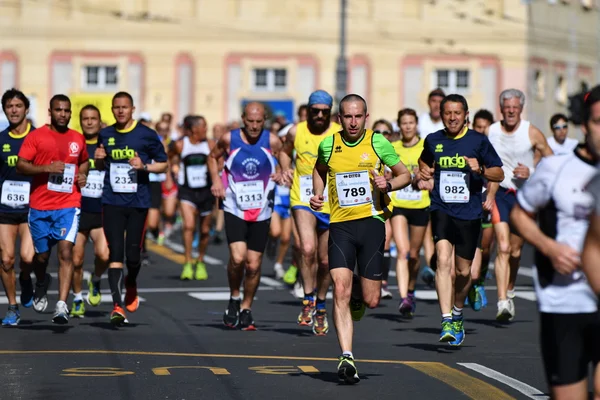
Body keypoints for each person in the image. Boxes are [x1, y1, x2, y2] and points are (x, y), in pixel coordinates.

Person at [311, 94, 411, 384]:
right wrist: (317, 195)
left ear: (366, 117)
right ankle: (347, 356)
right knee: (338, 288)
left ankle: (359, 294)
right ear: (338, 118)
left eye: (358, 116)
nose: (352, 122)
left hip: (372, 223)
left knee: (371, 298)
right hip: (340, 225)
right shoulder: (328, 144)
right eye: (347, 116)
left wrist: (388, 183)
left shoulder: (377, 143)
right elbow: (319, 170)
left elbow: (406, 175)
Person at [511, 85, 600, 400]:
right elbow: (520, 215)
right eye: (598, 123)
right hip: (565, 301)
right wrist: (549, 248)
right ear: (583, 125)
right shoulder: (555, 168)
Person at [418, 94, 504, 346]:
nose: (453, 118)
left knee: (464, 271)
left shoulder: (478, 141)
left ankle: (457, 312)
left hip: (470, 213)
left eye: (457, 113)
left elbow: (498, 172)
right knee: (442, 260)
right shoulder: (434, 140)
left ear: (466, 114)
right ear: (442, 115)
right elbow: (424, 159)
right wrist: (423, 169)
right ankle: (446, 320)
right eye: (448, 113)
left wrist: (479, 170)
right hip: (441, 208)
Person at [94, 92, 168, 325]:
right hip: (112, 201)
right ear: (112, 109)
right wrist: (98, 159)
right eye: (116, 107)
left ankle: (131, 282)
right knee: (115, 252)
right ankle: (117, 306)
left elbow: (164, 164)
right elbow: (100, 164)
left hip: (138, 202)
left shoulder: (146, 135)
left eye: (125, 107)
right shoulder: (105, 134)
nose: (121, 111)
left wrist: (144, 165)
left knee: (133, 255)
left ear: (132, 109)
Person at [208, 102, 283, 331]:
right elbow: (212, 158)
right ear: (243, 118)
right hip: (234, 205)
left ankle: (247, 307)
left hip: (261, 208)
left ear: (264, 120)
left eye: (258, 122)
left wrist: (282, 171)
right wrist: (216, 182)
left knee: (253, 264)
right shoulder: (229, 139)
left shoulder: (272, 141)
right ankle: (234, 296)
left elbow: (285, 157)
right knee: (238, 259)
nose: (254, 126)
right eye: (249, 121)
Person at [16, 94, 89, 324]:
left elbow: (84, 161)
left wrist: (83, 173)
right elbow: (21, 165)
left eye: (67, 111)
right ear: (50, 111)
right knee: (41, 256)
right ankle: (41, 282)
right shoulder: (36, 137)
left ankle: (61, 305)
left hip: (68, 204)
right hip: (40, 206)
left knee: (66, 251)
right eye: (59, 110)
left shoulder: (77, 138)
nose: (63, 115)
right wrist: (47, 167)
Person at [488, 89, 553, 321]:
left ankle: (511, 288)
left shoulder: (531, 132)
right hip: (500, 194)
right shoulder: (491, 131)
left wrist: (532, 171)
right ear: (501, 109)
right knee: (503, 247)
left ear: (521, 108)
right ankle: (502, 301)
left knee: (515, 251)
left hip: (524, 197)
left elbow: (552, 160)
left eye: (515, 107)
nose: (511, 111)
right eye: (507, 108)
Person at [279, 90, 340, 336]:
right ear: (308, 110)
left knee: (325, 261)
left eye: (324, 112)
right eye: (315, 111)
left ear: (330, 112)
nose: (319, 116)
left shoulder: (338, 132)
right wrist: (285, 168)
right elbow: (284, 151)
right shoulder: (296, 131)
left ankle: (322, 304)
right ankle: (308, 300)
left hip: (330, 200)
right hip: (303, 196)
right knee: (307, 249)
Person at [388, 109, 431, 317]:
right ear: (399, 125)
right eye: (403, 123)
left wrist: (424, 178)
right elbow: (384, 170)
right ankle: (404, 298)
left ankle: (411, 290)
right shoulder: (392, 148)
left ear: (416, 125)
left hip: (420, 205)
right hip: (398, 204)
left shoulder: (425, 146)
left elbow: (434, 172)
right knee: (403, 252)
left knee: (414, 255)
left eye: (411, 123)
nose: (407, 126)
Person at [69, 105, 109, 317]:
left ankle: (95, 279)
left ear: (100, 120)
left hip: (100, 210)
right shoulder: (75, 144)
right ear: (81, 121)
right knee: (76, 260)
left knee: (104, 254)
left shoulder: (107, 144)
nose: (90, 122)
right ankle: (77, 298)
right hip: (77, 209)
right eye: (86, 119)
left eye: (94, 118)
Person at [0, 89, 35, 326]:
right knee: (6, 260)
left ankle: (26, 278)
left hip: (33, 207)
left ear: (26, 109)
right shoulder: (1, 139)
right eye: (9, 106)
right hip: (5, 209)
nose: (14, 110)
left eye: (18, 106)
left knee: (27, 257)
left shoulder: (39, 138)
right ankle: (12, 307)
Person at [170, 115, 214, 280]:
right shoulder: (181, 145)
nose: (206, 130)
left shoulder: (210, 145)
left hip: (206, 191)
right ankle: (188, 262)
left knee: (204, 230)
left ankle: (200, 261)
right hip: (187, 191)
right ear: (195, 129)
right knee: (188, 226)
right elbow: (168, 157)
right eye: (204, 127)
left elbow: (220, 160)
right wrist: (171, 173)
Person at [465, 109, 496, 310]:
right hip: (467, 203)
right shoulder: (467, 146)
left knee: (486, 249)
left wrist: (491, 196)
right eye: (478, 127)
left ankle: (479, 281)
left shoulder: (491, 148)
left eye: (485, 127)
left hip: (486, 202)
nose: (482, 130)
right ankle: (470, 285)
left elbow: (496, 175)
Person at [372, 119, 396, 299]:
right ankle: (377, 281)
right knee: (382, 240)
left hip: (400, 202)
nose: (382, 136)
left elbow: (407, 173)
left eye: (386, 133)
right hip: (377, 203)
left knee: (392, 243)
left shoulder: (396, 152)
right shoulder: (369, 151)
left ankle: (383, 282)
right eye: (377, 132)